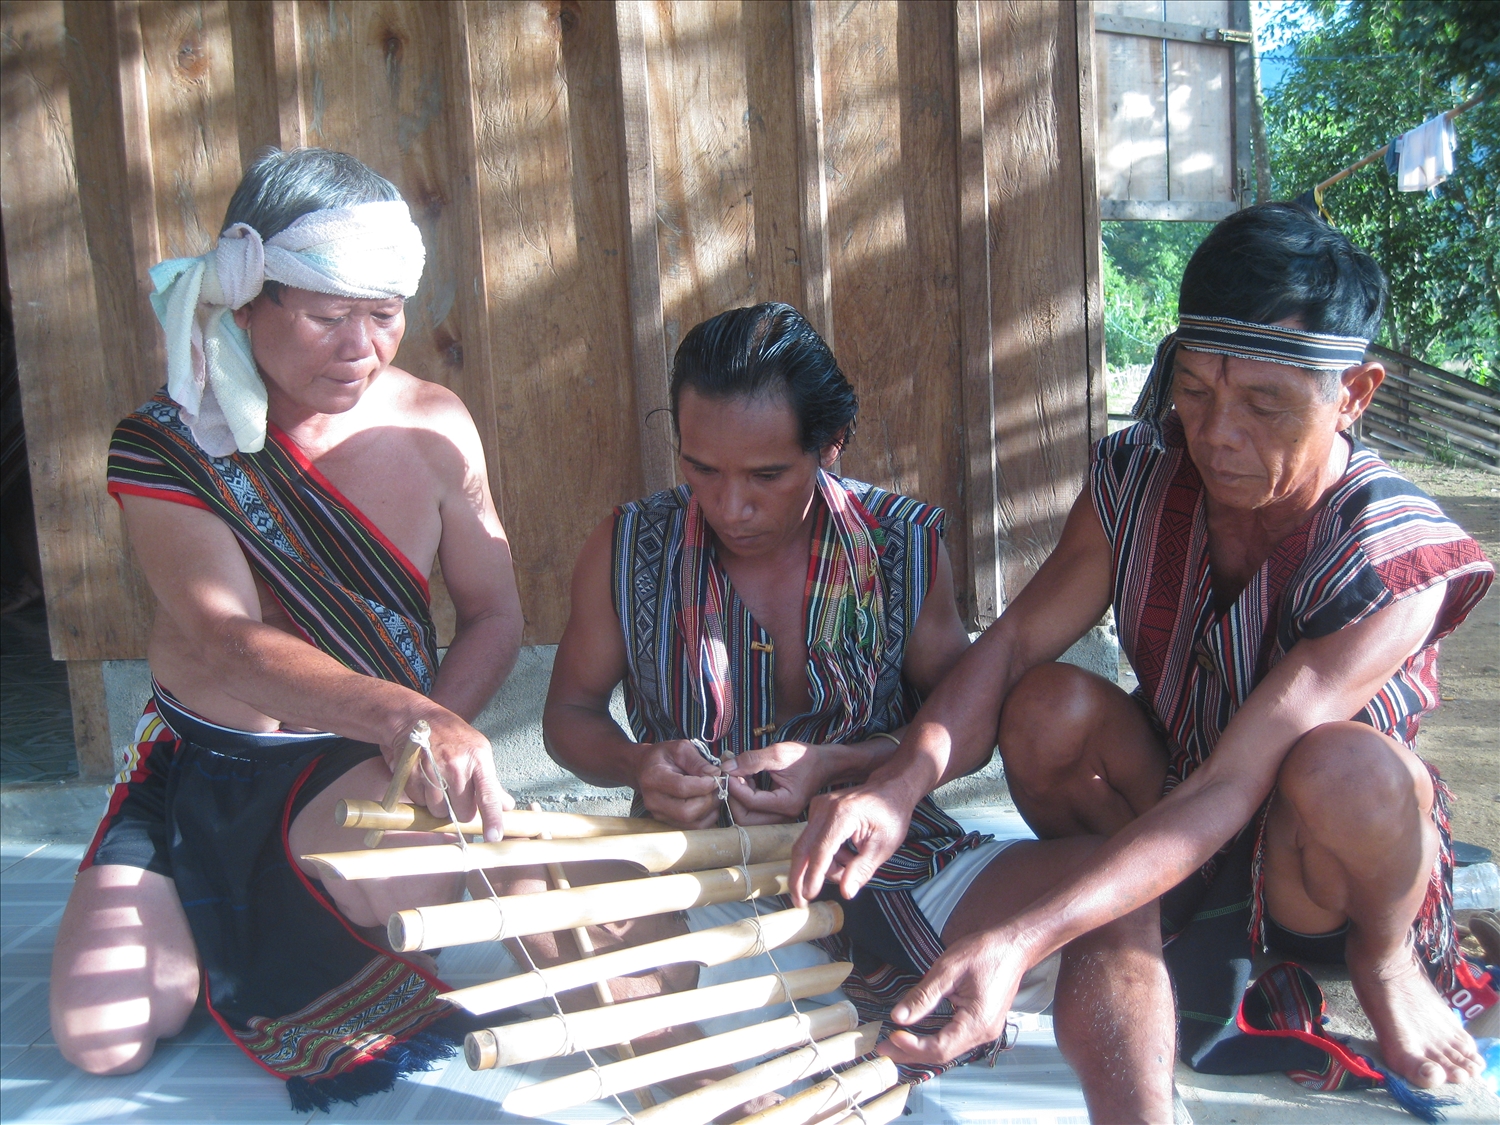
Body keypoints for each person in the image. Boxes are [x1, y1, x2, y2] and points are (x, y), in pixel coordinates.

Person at [788, 204, 1494, 1095]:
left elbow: (1237, 784)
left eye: (1265, 404)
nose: (1218, 433)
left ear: (1353, 393)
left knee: (1343, 766)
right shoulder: (1141, 475)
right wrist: (896, 786)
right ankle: (1145, 911)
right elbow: (1010, 643)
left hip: (1312, 867)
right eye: (1196, 391)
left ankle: (1387, 959)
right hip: (1175, 813)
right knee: (1045, 702)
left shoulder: (1396, 554)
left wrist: (1024, 936)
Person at [543, 303, 1176, 1122]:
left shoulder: (901, 544)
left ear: (829, 446)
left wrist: (842, 767)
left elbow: (960, 731)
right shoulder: (630, 547)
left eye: (766, 475)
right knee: (540, 894)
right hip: (697, 869)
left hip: (892, 862)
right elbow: (567, 714)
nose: (728, 503)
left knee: (1114, 894)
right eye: (701, 468)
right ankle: (727, 1091)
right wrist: (636, 763)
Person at [50, 148, 524, 1111]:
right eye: (325, 314)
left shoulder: (437, 425)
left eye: (383, 313)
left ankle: (262, 911)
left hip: (356, 760)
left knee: (383, 887)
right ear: (249, 302)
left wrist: (424, 737)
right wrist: (406, 714)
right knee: (103, 1040)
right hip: (202, 763)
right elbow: (227, 637)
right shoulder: (166, 441)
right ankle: (196, 895)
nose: (361, 345)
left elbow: (495, 613)